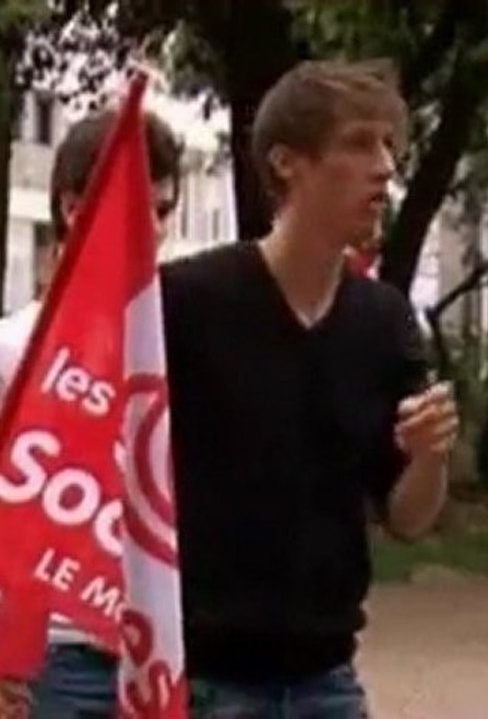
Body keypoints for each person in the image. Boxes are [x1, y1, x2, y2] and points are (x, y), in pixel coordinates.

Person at [161, 59, 457, 717]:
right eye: (358, 143)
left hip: (327, 681)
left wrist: (430, 456)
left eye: (389, 145)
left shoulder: (383, 321)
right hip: (204, 682)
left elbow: (407, 517)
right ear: (287, 162)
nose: (384, 166)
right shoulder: (186, 303)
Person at [0, 108, 183, 718]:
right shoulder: (4, 353)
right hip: (52, 660)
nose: (151, 231)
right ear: (74, 208)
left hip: (159, 653)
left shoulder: (180, 350)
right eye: (136, 211)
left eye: (161, 212)